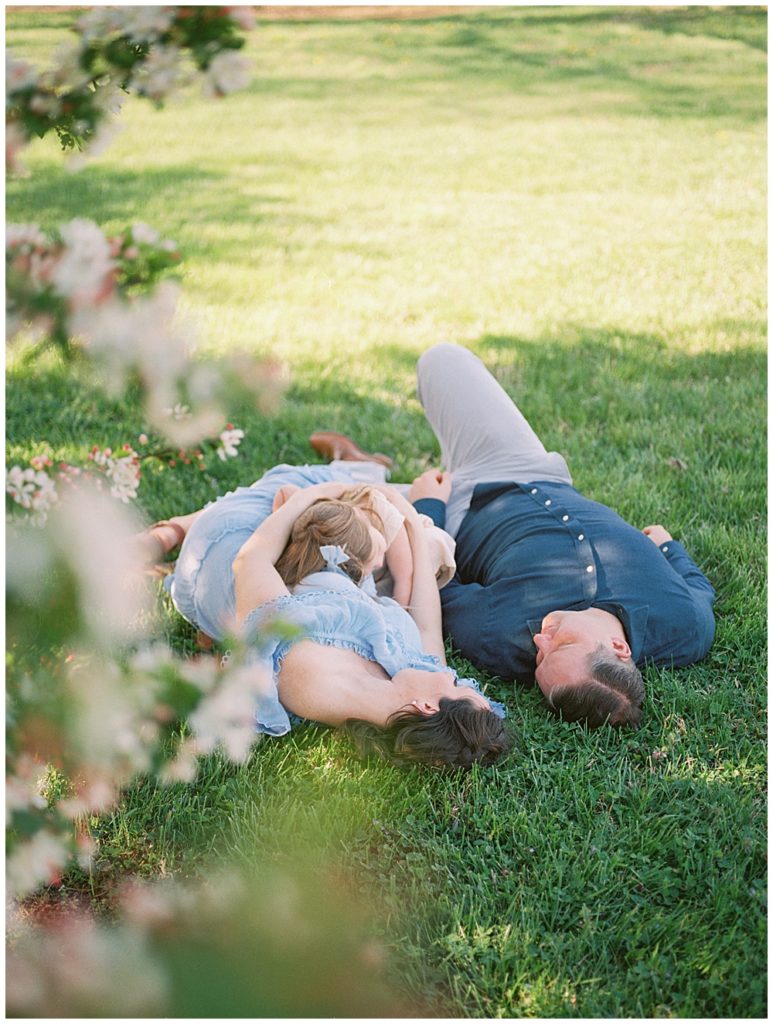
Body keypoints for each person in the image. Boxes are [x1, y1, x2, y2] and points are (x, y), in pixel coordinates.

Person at [400, 343, 716, 729]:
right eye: (562, 645)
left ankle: (360, 471)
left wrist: (427, 508)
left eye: (539, 661)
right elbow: (699, 588)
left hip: (460, 508)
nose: (539, 642)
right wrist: (667, 546)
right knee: (443, 359)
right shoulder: (686, 626)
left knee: (331, 505)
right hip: (522, 464)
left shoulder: (499, 639)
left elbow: (434, 584)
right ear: (620, 648)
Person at [144, 461, 510, 768]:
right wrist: (412, 522)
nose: (455, 676)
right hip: (316, 561)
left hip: (226, 551)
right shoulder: (415, 684)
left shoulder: (311, 674)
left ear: (427, 708)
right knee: (375, 510)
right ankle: (358, 468)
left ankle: (173, 532)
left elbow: (250, 561)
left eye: (460, 687)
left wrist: (310, 498)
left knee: (303, 485)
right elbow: (428, 621)